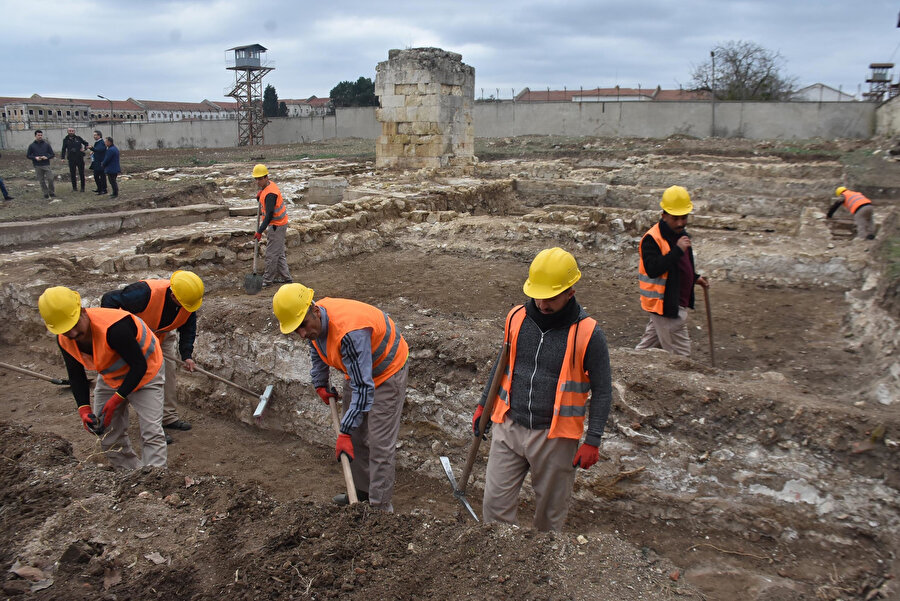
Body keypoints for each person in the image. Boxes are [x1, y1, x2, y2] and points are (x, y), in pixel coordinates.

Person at [473, 248, 612, 532]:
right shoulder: (516, 318)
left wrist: (593, 439)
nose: (543, 303)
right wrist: (483, 404)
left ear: (570, 292)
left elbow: (603, 390)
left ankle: (540, 569)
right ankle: (501, 566)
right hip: (509, 426)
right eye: (539, 295)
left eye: (551, 297)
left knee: (550, 518)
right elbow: (502, 366)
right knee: (494, 508)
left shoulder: (588, 333)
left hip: (555, 437)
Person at [272, 283, 409, 512]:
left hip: (386, 371)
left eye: (303, 326)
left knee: (379, 445)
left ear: (315, 311)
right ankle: (361, 495)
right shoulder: (313, 324)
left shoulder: (349, 333)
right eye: (297, 330)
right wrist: (320, 382)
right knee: (355, 436)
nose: (303, 334)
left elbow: (364, 390)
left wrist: (343, 432)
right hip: (356, 370)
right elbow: (316, 347)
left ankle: (379, 510)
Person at [38, 286, 167, 469]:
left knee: (151, 432)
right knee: (106, 432)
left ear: (82, 311)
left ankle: (155, 480)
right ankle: (131, 475)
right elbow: (76, 375)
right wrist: (83, 408)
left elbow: (139, 366)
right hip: (112, 375)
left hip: (146, 372)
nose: (72, 334)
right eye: (66, 330)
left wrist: (117, 399)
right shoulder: (64, 339)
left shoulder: (115, 328)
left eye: (74, 326)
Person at [101, 270, 204, 442]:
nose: (187, 307)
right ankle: (153, 427)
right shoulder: (144, 293)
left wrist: (187, 355)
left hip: (160, 336)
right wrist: (122, 333)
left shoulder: (188, 301)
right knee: (150, 379)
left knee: (168, 374)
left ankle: (168, 417)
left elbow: (188, 327)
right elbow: (109, 300)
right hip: (135, 338)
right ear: (173, 295)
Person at [635, 185, 709, 356]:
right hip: (665, 305)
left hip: (671, 302)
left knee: (647, 350)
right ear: (664, 215)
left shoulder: (680, 235)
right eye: (676, 218)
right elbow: (653, 269)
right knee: (680, 356)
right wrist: (677, 250)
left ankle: (625, 368)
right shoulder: (652, 239)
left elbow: (679, 266)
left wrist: (694, 278)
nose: (680, 223)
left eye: (684, 218)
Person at [252, 164, 292, 287]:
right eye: (256, 179)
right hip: (279, 224)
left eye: (260, 179)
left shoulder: (270, 194)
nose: (258, 181)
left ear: (266, 177)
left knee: (271, 254)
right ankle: (287, 278)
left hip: (277, 226)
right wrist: (261, 194)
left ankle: (267, 280)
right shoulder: (268, 187)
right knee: (278, 253)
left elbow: (269, 215)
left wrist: (259, 231)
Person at [26, 130, 56, 199]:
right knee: (41, 180)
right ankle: (45, 193)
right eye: (38, 135)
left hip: (46, 164)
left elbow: (52, 154)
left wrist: (46, 157)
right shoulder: (32, 146)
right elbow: (28, 155)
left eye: (41, 135)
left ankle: (51, 192)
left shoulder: (46, 145)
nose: (40, 136)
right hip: (37, 165)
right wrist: (35, 158)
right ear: (35, 136)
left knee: (50, 178)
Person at [60, 127, 89, 192]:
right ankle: (74, 188)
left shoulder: (78, 138)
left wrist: (84, 149)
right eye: (70, 131)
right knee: (72, 173)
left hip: (79, 158)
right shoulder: (65, 140)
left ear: (74, 131)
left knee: (81, 173)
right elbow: (63, 149)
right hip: (71, 159)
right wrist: (62, 157)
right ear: (67, 132)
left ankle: (82, 188)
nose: (71, 132)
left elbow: (86, 143)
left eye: (72, 131)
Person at [89, 130, 108, 194]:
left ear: (99, 135)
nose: (94, 136)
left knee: (102, 176)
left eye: (95, 135)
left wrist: (92, 148)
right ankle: (99, 188)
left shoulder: (101, 142)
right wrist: (93, 151)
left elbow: (100, 150)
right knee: (96, 175)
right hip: (96, 161)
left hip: (100, 162)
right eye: (94, 135)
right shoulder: (97, 142)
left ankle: (104, 189)